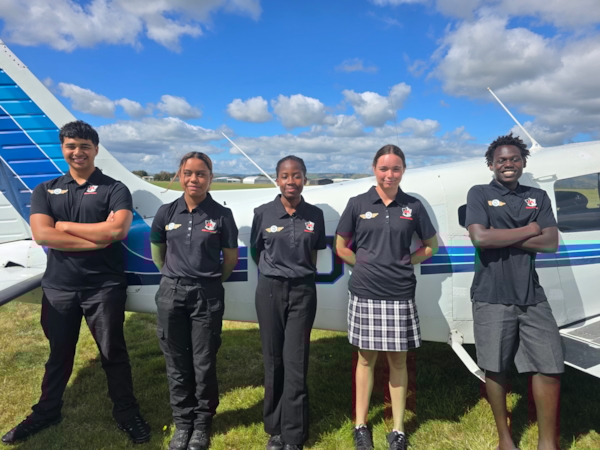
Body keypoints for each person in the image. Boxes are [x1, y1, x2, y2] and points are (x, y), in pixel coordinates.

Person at [1, 120, 150, 445]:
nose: (77, 151)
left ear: (95, 149)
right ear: (63, 149)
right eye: (71, 146)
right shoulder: (45, 189)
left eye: (84, 146)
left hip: (103, 287)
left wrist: (65, 226)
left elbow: (116, 231)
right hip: (59, 287)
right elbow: (43, 235)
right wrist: (96, 239)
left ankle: (127, 413)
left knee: (113, 354)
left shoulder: (114, 189)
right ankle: (46, 412)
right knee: (59, 355)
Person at [335, 144, 438, 450]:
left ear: (403, 170)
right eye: (383, 168)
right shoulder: (357, 203)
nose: (389, 174)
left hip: (399, 292)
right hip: (365, 291)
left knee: (398, 360)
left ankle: (398, 430)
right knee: (365, 359)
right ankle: (361, 425)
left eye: (395, 168)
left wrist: (405, 262)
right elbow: (340, 247)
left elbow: (430, 246)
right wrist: (363, 265)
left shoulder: (413, 206)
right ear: (374, 169)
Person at [465, 133, 562, 450]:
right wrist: (531, 229)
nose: (508, 164)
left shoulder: (537, 196)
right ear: (491, 165)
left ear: (523, 163)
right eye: (501, 160)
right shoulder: (479, 193)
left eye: (514, 159)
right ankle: (505, 439)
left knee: (550, 366)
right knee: (495, 367)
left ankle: (547, 443)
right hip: (490, 294)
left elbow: (550, 243)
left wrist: (501, 235)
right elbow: (480, 238)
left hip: (531, 293)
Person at [150, 152, 238, 450]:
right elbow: (158, 252)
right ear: (180, 175)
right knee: (176, 362)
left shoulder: (222, 215)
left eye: (201, 174)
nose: (194, 179)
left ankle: (201, 425)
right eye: (188, 173)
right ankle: (182, 423)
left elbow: (230, 259)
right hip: (171, 293)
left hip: (206, 294)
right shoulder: (166, 212)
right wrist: (172, 277)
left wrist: (207, 281)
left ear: (210, 178)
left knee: (203, 361)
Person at [251, 156, 326, 450]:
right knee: (273, 360)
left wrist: (297, 273)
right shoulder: (263, 213)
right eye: (285, 176)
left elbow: (314, 252)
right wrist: (275, 272)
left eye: (296, 175)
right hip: (269, 291)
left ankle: (294, 434)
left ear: (304, 178)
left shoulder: (315, 215)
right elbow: (257, 251)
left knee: (296, 362)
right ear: (277, 179)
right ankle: (275, 429)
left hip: (303, 292)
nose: (290, 181)